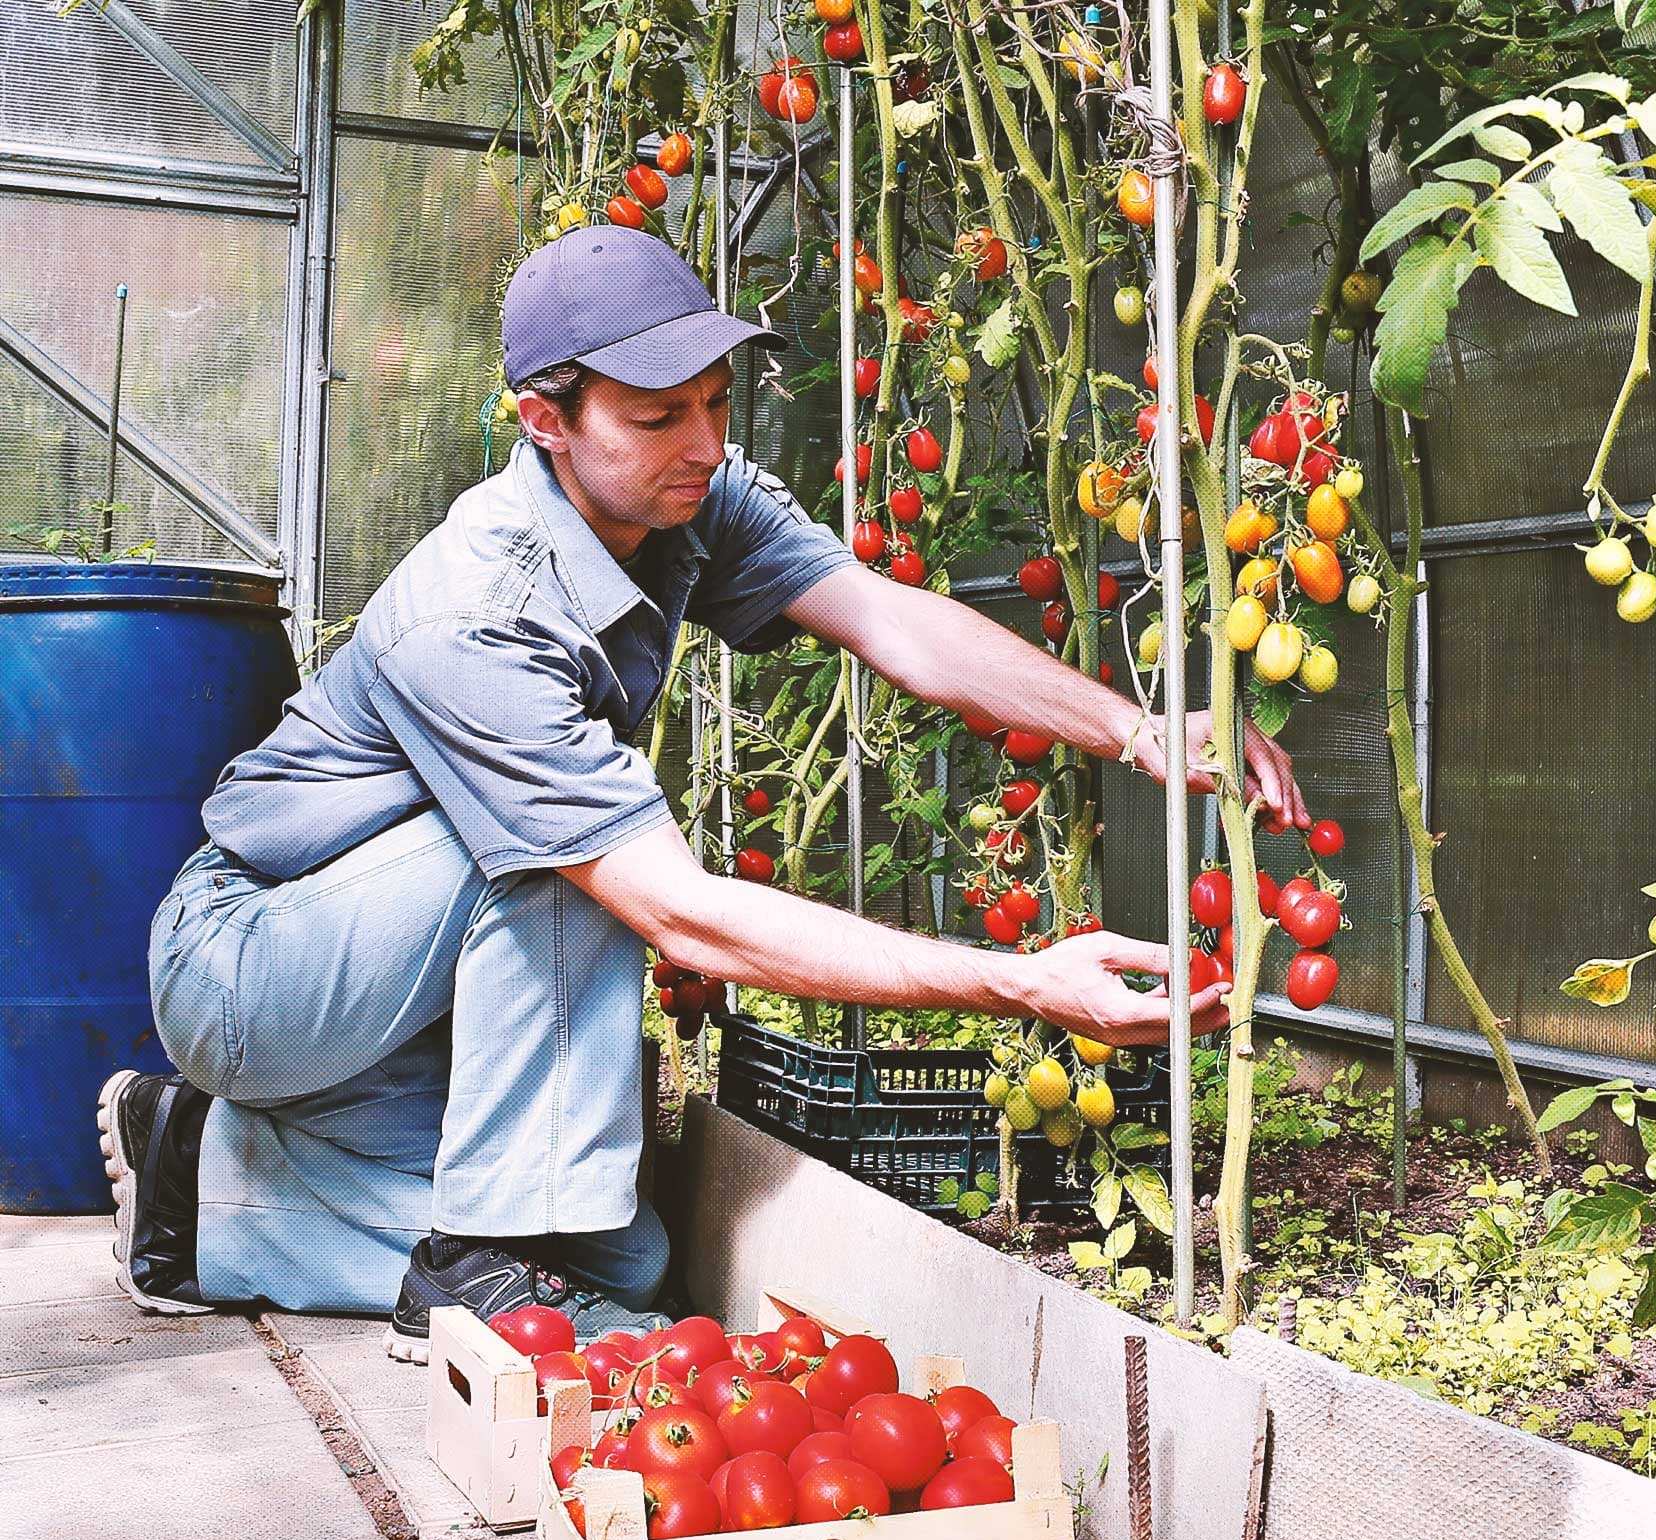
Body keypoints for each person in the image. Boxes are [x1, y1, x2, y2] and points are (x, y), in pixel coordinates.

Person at [94, 225, 1299, 1359]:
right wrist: (1013, 979)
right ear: (545, 421)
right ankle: (469, 1260)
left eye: (720, 402)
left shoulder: (684, 496)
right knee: (583, 868)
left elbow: (888, 620)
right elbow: (674, 910)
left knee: (626, 1259)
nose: (707, 443)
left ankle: (204, 1182)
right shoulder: (478, 613)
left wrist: (1138, 727)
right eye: (660, 414)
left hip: (393, 988)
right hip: (255, 961)